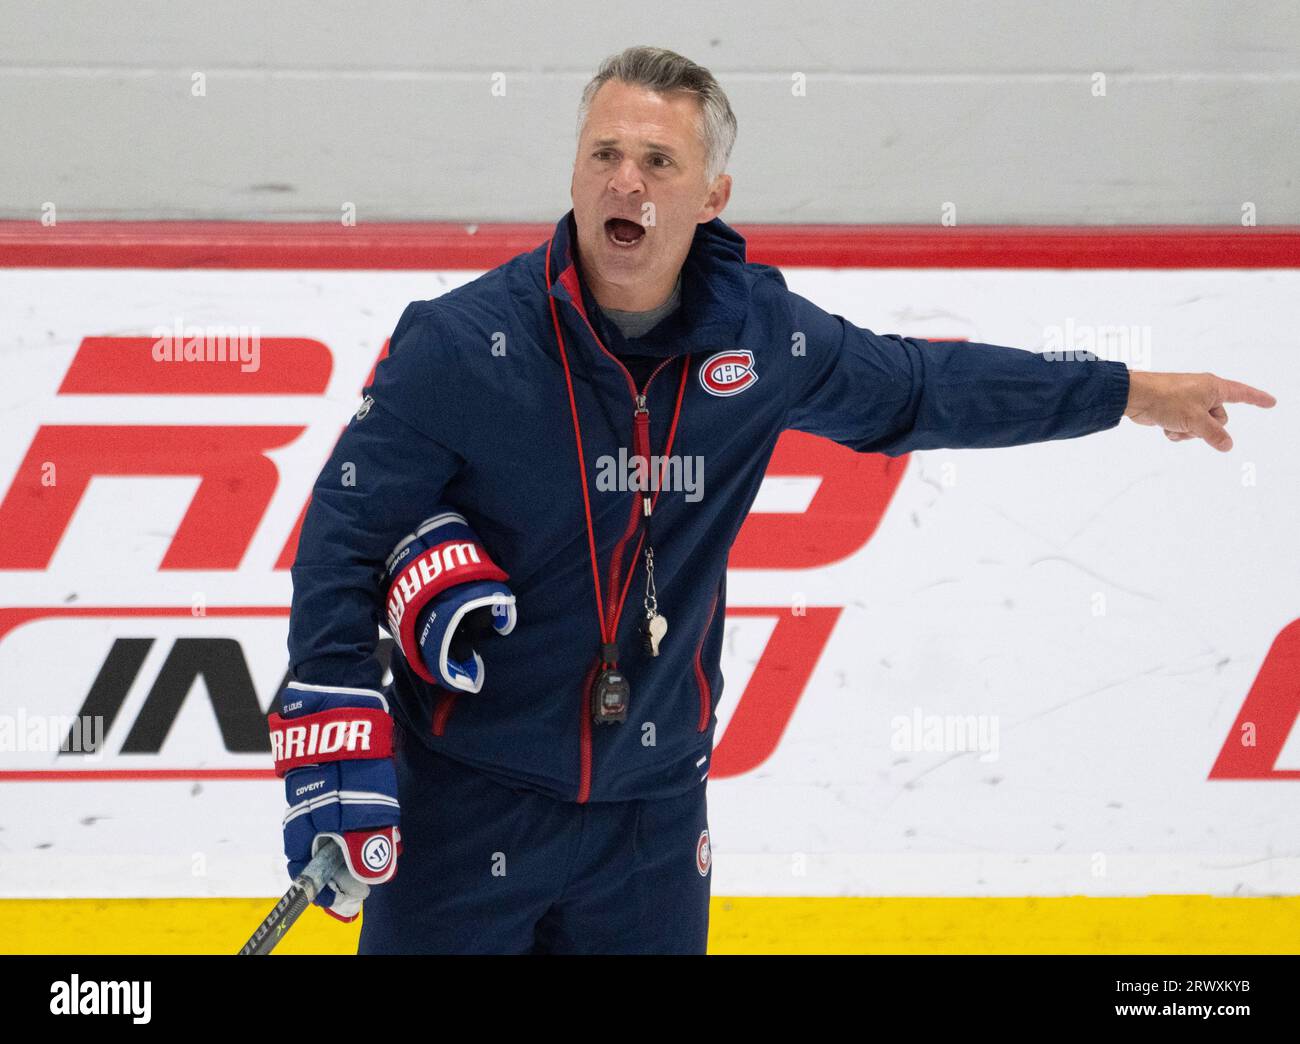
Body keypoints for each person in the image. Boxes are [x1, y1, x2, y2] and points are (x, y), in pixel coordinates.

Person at [267, 45, 1277, 955]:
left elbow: (923, 388)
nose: (626, 178)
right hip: (463, 808)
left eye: (659, 163)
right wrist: (335, 712)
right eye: (604, 153)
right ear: (574, 171)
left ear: (712, 194)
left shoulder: (763, 338)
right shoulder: (460, 344)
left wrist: (1128, 392)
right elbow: (345, 530)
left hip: (648, 827)